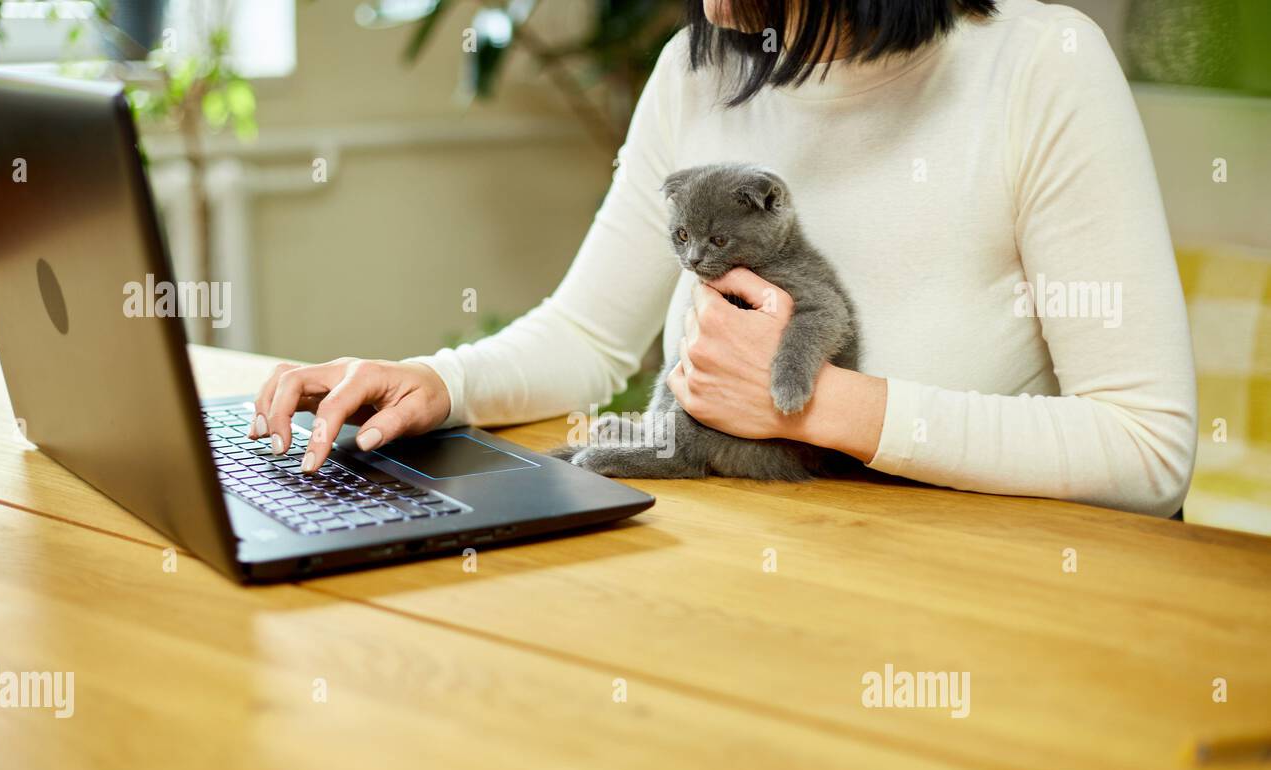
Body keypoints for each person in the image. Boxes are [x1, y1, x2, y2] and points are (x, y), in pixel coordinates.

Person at [249, 0, 1196, 517]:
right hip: (746, 574)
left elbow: (1147, 451)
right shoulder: (695, 70)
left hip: (979, 625)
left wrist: (824, 405)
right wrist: (431, 383)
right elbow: (586, 336)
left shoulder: (1042, 68)